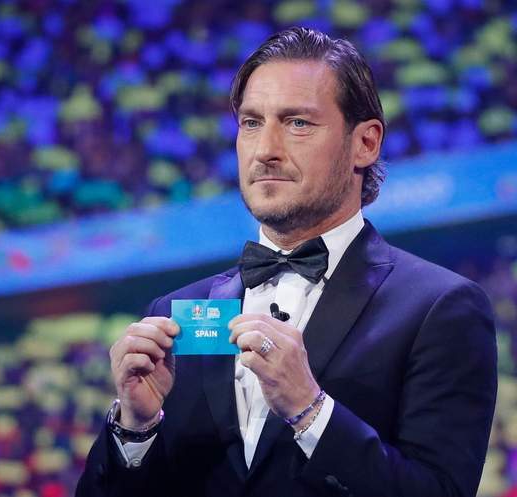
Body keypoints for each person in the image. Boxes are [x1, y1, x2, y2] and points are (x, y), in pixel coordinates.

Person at [75, 27, 496, 497]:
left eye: (297, 123)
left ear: (366, 143)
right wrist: (135, 429)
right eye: (251, 123)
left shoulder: (440, 308)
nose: (266, 150)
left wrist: (310, 410)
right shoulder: (173, 312)